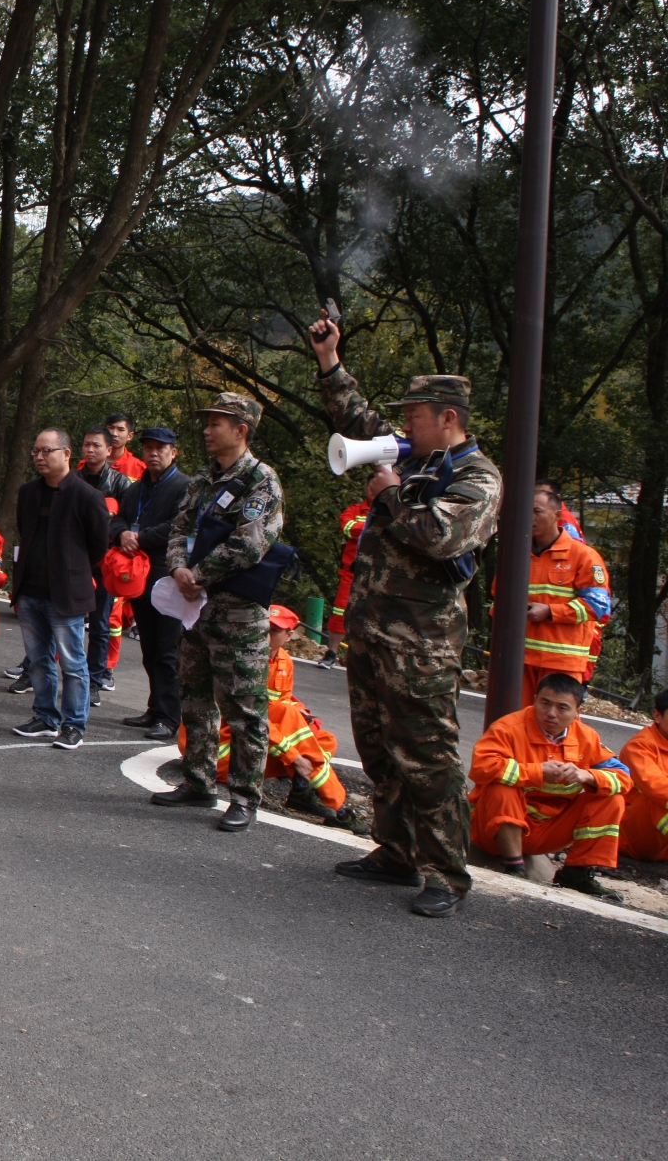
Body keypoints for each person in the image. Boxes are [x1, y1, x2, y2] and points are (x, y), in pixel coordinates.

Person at [311, 311, 502, 918]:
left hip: (421, 645)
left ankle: (446, 871)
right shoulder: (414, 458)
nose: (404, 425)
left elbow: (441, 537)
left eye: (415, 416)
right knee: (377, 746)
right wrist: (329, 360)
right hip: (372, 632)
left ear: (448, 419)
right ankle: (394, 850)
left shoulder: (477, 477)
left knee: (428, 756)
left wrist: (387, 494)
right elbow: (357, 419)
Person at [146, 393, 283, 832]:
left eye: (217, 422)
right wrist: (178, 568)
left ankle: (244, 797)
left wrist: (198, 573)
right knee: (196, 697)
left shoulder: (261, 481)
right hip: (197, 609)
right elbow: (179, 527)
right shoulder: (203, 479)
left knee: (244, 708)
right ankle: (198, 781)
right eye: (207, 421)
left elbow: (251, 543)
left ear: (241, 430)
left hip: (238, 612)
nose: (207, 429)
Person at [185, 606, 351, 824]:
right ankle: (334, 805)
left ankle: (301, 787)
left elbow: (281, 701)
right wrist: (294, 757)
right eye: (262, 627)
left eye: (273, 630)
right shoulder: (241, 658)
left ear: (289, 636)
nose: (265, 634)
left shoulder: (284, 661)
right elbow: (253, 718)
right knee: (291, 724)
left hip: (254, 741)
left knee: (326, 739)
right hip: (222, 749)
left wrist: (301, 712)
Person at [469, 673, 629, 898]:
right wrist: (536, 772)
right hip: (494, 831)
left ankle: (576, 873)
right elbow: (480, 767)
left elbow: (623, 777)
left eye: (562, 708)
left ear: (577, 713)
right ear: (534, 699)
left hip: (547, 832)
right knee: (501, 787)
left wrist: (588, 776)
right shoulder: (508, 728)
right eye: (544, 703)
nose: (551, 713)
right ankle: (515, 867)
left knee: (612, 798)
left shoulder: (587, 737)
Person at [6, 429, 110, 749]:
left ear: (66, 454)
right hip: (30, 591)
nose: (39, 457)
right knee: (38, 660)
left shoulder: (87, 496)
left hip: (66, 593)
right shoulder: (28, 492)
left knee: (72, 663)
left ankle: (74, 724)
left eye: (46, 451)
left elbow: (98, 546)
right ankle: (46, 716)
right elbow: (26, 533)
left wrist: (72, 570)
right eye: (36, 452)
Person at [112, 426, 188, 741]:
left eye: (161, 448)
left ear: (173, 452)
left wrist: (140, 537)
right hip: (139, 575)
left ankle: (170, 717)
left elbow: (178, 526)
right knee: (148, 648)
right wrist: (122, 534)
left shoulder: (183, 486)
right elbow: (117, 517)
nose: (153, 453)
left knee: (168, 650)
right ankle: (155, 708)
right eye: (148, 447)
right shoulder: (137, 487)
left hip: (168, 574)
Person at [515, 486, 613, 706]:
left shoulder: (583, 556)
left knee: (556, 726)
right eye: (524, 510)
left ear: (557, 515)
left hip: (561, 662)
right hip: (520, 659)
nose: (529, 517)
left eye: (537, 511)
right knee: (515, 724)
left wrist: (550, 612)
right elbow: (498, 599)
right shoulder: (516, 553)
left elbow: (597, 606)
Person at [76, 425, 134, 698]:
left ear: (108, 450)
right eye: (86, 444)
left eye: (96, 445)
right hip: (74, 558)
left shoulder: (122, 484)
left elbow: (128, 521)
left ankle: (95, 680)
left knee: (100, 623)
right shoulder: (72, 479)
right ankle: (39, 670)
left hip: (105, 561)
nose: (90, 450)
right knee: (61, 619)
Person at [320, 498, 372, 666]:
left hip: (380, 575)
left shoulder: (395, 508)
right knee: (340, 611)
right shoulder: (355, 509)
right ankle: (332, 653)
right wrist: (375, 528)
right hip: (351, 571)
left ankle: (366, 659)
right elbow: (348, 528)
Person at [617, 689, 668, 862]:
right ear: (657, 716)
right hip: (632, 835)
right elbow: (655, 786)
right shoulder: (640, 747)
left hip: (660, 843)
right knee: (656, 799)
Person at [102, 412, 146, 479]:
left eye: (121, 429)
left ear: (130, 436)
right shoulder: (88, 463)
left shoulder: (139, 468)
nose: (114, 434)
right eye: (111, 428)